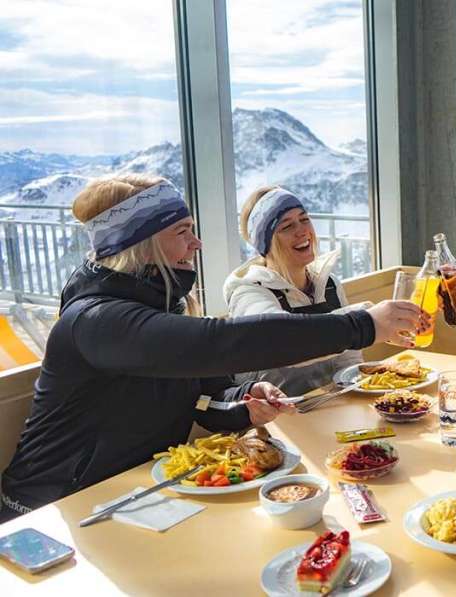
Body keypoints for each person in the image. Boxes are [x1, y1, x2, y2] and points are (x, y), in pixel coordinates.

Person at [0, 175, 427, 522]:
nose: (197, 244)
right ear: (143, 244)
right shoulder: (97, 321)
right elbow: (221, 344)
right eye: (183, 232)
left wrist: (244, 402)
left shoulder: (163, 306)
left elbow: (206, 393)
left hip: (134, 493)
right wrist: (362, 324)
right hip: (51, 508)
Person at [224, 185, 368, 395]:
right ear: (266, 243)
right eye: (287, 226)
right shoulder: (248, 293)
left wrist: (358, 396)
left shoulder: (329, 283)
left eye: (304, 219)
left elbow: (349, 360)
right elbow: (286, 340)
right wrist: (365, 318)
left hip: (326, 407)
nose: (302, 231)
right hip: (274, 419)